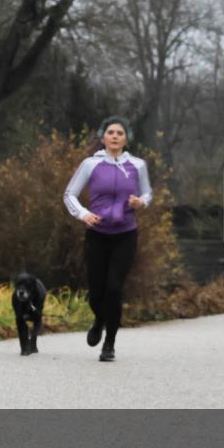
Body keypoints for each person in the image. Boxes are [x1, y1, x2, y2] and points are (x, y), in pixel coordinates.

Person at [63, 116, 152, 362]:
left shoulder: (137, 165)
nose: (115, 136)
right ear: (103, 137)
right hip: (97, 235)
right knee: (96, 293)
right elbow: (69, 194)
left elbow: (147, 193)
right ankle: (99, 319)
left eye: (119, 133)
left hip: (125, 234)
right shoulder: (90, 164)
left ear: (126, 138)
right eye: (110, 132)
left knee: (114, 288)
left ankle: (109, 344)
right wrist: (83, 214)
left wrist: (140, 202)